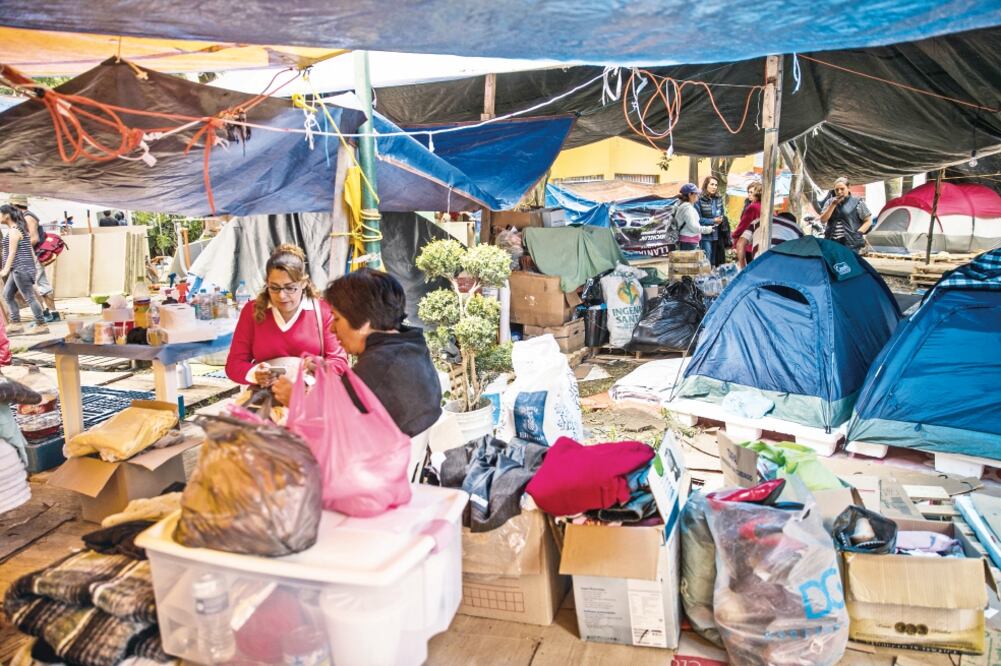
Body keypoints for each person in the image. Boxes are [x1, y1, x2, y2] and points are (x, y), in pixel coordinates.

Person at [323, 268, 442, 439]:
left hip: (382, 463)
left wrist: (297, 400)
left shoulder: (372, 371)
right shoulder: (414, 346)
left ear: (363, 320)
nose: (331, 329)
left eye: (336, 319)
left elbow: (329, 428)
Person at [226, 244, 347, 405]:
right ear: (266, 283)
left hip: (312, 399)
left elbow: (339, 362)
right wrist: (255, 373)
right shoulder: (252, 311)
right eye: (274, 288)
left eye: (290, 288)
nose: (282, 296)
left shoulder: (322, 311)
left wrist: (317, 366)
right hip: (264, 400)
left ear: (303, 283)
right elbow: (234, 365)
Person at [8, 195, 58, 322]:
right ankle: (50, 313)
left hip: (33, 254)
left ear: (14, 205)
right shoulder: (24, 217)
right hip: (31, 254)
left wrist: (17, 245)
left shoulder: (28, 217)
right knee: (39, 284)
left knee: (39, 285)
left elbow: (34, 238)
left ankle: (50, 313)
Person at [0, 205, 48, 335]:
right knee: (7, 295)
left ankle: (42, 324)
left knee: (29, 297)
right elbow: (29, 251)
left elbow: (12, 252)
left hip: (20, 268)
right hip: (19, 268)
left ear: (6, 216)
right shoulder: (17, 229)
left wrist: (5, 270)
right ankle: (16, 324)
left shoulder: (14, 231)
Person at [819, 177, 872, 252]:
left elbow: (868, 221)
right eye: (836, 190)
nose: (839, 192)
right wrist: (833, 205)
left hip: (850, 242)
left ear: (849, 187)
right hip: (832, 241)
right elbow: (823, 220)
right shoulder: (829, 202)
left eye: (842, 189)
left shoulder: (857, 202)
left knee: (849, 262)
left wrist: (858, 233)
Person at [734, 211, 805, 268]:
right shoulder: (797, 228)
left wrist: (743, 269)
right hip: (782, 266)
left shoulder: (758, 221)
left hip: (759, 263)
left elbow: (740, 244)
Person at [696, 175, 729, 266]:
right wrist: (713, 221)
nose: (714, 187)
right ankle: (705, 279)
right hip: (705, 235)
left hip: (718, 235)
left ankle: (713, 279)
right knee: (707, 261)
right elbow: (698, 220)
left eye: (716, 185)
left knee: (716, 262)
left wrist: (721, 219)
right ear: (706, 185)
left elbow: (721, 213)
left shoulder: (718, 198)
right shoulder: (699, 199)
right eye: (712, 184)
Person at [675, 183, 714, 251]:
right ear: (690, 194)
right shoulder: (687, 208)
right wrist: (708, 229)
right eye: (696, 193)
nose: (698, 195)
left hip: (689, 242)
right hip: (688, 243)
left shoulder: (686, 206)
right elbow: (694, 227)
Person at [733, 184, 762, 266]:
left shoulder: (753, 207)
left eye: (752, 192)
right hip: (762, 244)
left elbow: (743, 226)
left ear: (757, 193)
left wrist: (734, 235)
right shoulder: (765, 206)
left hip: (750, 244)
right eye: (748, 192)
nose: (749, 194)